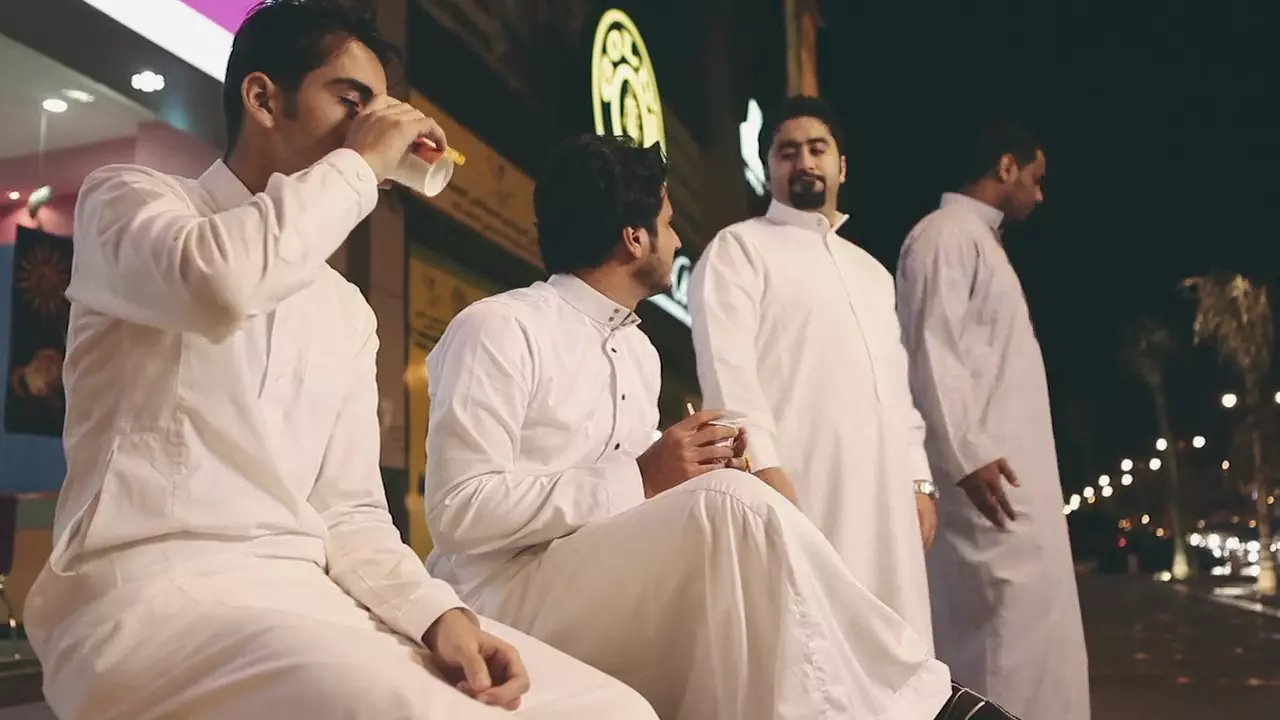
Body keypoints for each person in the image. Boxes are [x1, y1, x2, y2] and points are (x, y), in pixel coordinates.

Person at [21, 2, 657, 719]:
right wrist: (360, 162)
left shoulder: (345, 309)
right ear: (263, 99)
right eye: (352, 102)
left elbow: (349, 513)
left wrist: (436, 614)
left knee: (610, 706)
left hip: (308, 597)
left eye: (381, 110)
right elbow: (220, 283)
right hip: (151, 593)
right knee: (412, 711)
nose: (372, 126)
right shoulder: (131, 201)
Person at [423, 133, 957, 720]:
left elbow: (629, 493)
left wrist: (690, 468)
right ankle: (919, 698)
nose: (677, 241)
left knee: (734, 530)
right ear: (635, 238)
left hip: (596, 579)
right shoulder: (500, 328)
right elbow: (456, 512)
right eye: (669, 224)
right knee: (728, 506)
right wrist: (645, 477)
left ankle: (892, 697)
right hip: (500, 594)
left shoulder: (638, 351)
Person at [686, 95, 937, 647]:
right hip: (799, 484)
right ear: (767, 168)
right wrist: (763, 466)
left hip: (885, 490)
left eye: (817, 149)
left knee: (898, 640)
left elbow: (895, 388)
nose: (804, 162)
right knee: (812, 644)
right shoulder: (739, 248)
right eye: (787, 152)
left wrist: (918, 480)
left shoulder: (871, 273)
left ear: (841, 165)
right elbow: (728, 370)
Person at [895, 124, 1090, 719]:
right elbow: (932, 349)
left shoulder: (979, 241)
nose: (1040, 194)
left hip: (1009, 479)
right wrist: (966, 457)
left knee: (1034, 643)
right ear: (1006, 167)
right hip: (985, 483)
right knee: (998, 648)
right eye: (1036, 178)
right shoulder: (945, 235)